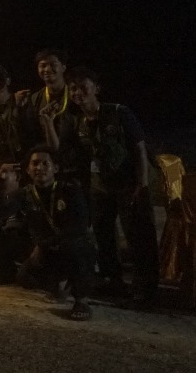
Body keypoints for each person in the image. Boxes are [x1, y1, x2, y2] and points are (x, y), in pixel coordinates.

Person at [64, 67, 157, 307]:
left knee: (138, 238)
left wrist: (142, 185)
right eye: (73, 89)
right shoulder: (79, 122)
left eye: (83, 87)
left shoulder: (118, 113)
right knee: (104, 236)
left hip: (128, 185)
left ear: (96, 89)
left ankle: (145, 291)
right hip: (100, 188)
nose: (78, 93)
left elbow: (139, 149)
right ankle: (113, 281)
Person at [18, 145, 97, 321]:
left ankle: (81, 299)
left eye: (45, 163)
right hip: (49, 248)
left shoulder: (69, 190)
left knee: (75, 246)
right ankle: (58, 284)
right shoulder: (26, 194)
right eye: (35, 164)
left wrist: (42, 245)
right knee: (23, 276)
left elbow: (79, 227)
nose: (39, 168)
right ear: (28, 169)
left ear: (56, 168)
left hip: (73, 246)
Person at [17, 48, 83, 178]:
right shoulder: (35, 99)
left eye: (53, 64)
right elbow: (30, 134)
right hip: (47, 170)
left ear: (63, 67)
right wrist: (19, 109)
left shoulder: (75, 95)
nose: (47, 69)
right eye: (42, 66)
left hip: (75, 167)